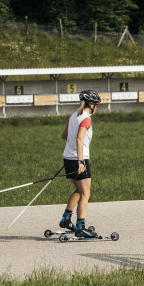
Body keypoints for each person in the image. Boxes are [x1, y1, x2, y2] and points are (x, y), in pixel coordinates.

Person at [59, 89, 101, 238]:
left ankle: (66, 219)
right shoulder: (86, 118)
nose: (97, 108)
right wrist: (81, 161)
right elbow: (79, 139)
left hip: (68, 158)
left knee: (78, 190)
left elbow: (65, 136)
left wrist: (72, 155)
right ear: (91, 104)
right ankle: (80, 227)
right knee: (85, 193)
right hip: (78, 159)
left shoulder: (73, 116)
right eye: (97, 105)